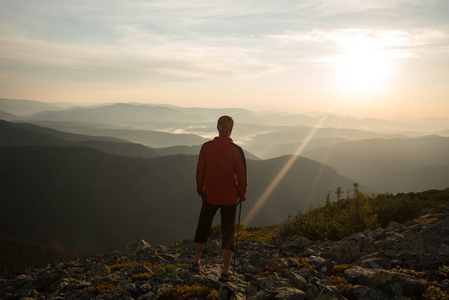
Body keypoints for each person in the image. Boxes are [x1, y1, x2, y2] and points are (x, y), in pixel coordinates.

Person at [192, 115, 247, 282]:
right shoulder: (236, 150)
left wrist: (201, 188)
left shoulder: (206, 148)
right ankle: (225, 271)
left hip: (210, 196)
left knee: (203, 227)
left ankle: (196, 262)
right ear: (232, 129)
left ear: (217, 127)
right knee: (228, 232)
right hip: (230, 198)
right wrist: (242, 193)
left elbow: (200, 172)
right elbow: (242, 177)